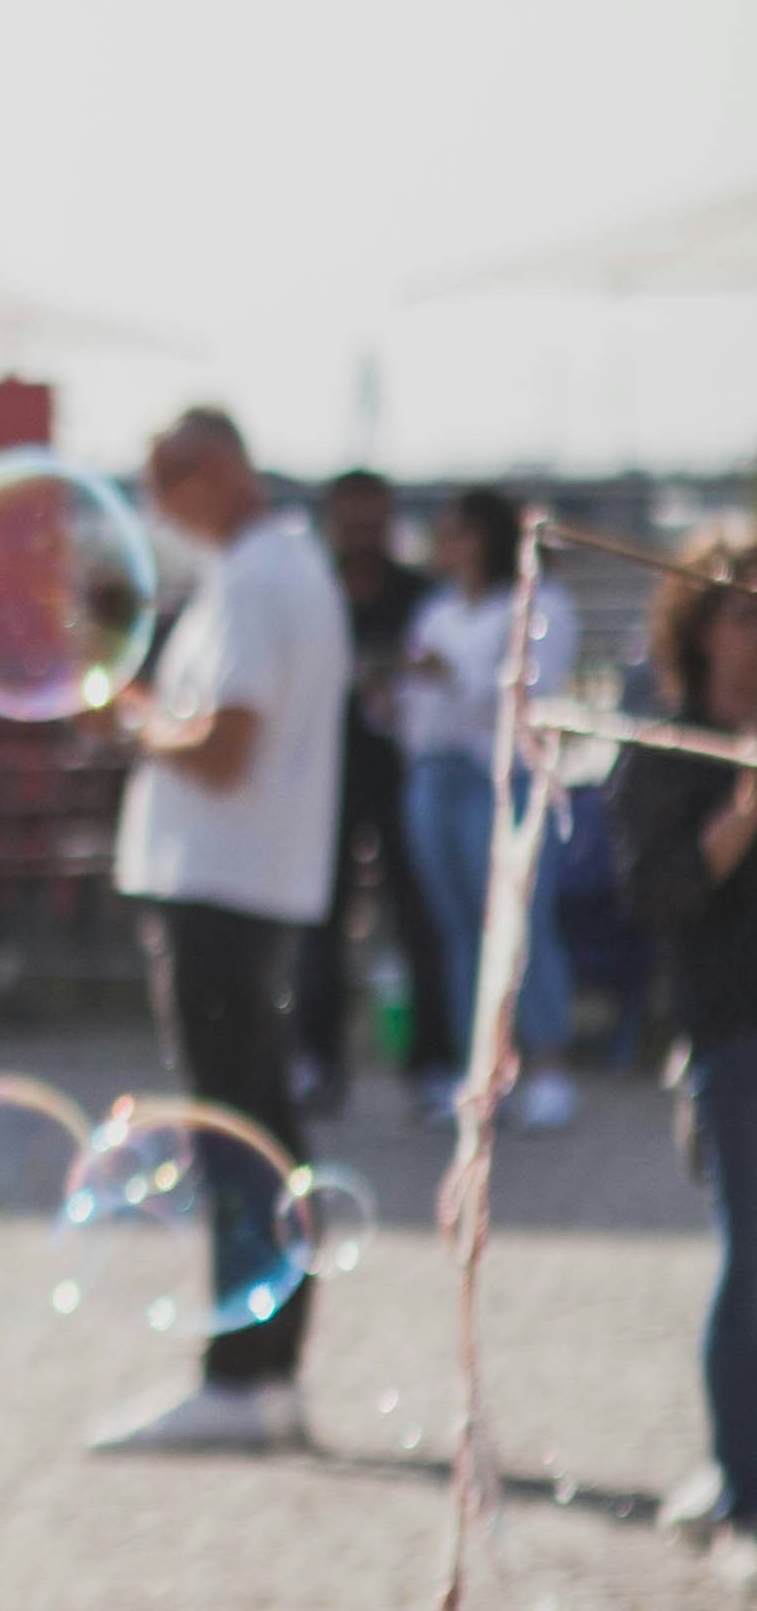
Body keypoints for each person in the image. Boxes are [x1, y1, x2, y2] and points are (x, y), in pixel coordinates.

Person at [100, 407, 349, 1456]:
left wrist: (126, 713)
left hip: (222, 889)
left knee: (234, 1135)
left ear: (214, 471)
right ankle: (265, 1366)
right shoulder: (278, 570)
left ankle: (240, 1375)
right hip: (246, 886)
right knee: (255, 1127)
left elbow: (224, 748)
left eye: (164, 482)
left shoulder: (254, 580)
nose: (156, 507)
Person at [609, 528, 757, 1544]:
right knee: (753, 1256)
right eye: (747, 613)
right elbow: (653, 898)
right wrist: (745, 807)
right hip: (732, 1028)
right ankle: (742, 1478)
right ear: (700, 629)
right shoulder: (666, 748)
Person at [397, 486, 581, 1128]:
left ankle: (550, 1066)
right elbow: (414, 710)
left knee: (521, 923)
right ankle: (483, 1072)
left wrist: (450, 677)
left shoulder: (542, 603)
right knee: (459, 934)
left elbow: (534, 690)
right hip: (436, 773)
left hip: (505, 777)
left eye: (456, 532)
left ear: (485, 537)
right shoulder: (437, 610)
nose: (445, 546)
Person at [292, 471, 454, 1108]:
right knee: (318, 925)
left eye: (373, 525)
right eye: (351, 525)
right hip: (323, 781)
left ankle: (433, 1064)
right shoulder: (312, 592)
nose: (362, 538)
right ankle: (317, 1059)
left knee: (421, 921)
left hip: (401, 779)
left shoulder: (422, 596)